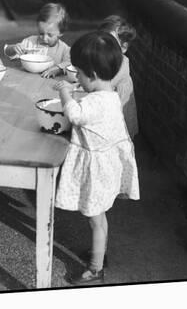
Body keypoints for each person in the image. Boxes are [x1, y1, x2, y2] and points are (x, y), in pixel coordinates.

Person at [53, 31, 140, 285]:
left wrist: (66, 93)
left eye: (79, 73)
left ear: (91, 75)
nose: (76, 77)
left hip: (97, 171)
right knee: (99, 219)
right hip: (106, 167)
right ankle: (99, 255)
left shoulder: (96, 102)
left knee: (96, 220)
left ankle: (95, 268)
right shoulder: (109, 95)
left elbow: (75, 115)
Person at [3, 2, 71, 78]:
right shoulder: (30, 42)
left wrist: (58, 69)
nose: (44, 38)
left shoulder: (64, 50)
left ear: (61, 32)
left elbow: (70, 63)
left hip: (48, 85)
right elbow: (7, 52)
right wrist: (13, 48)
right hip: (26, 81)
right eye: (41, 33)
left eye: (50, 35)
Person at [99, 15, 139, 139]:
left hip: (120, 117)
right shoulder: (107, 58)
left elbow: (102, 85)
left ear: (123, 47)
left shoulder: (121, 65)